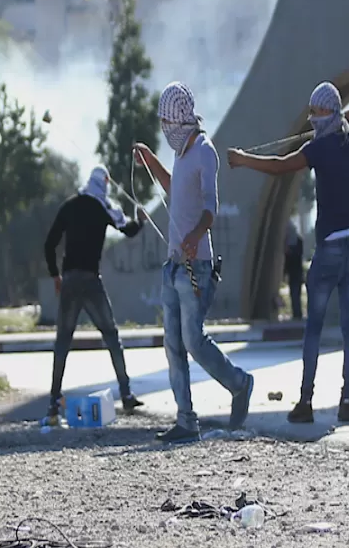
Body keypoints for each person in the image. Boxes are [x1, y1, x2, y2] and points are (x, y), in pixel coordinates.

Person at [227, 82, 349, 423]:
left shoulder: (321, 148)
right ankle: (347, 400)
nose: (312, 117)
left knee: (314, 328)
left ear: (328, 113)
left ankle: (306, 401)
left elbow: (279, 165)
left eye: (316, 111)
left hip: (329, 247)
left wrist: (243, 160)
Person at [133, 81, 254, 443]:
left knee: (193, 341)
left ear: (180, 119)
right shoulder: (181, 152)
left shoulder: (204, 151)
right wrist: (150, 161)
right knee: (173, 344)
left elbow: (210, 209)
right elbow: (174, 187)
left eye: (167, 121)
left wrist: (193, 238)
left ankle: (239, 383)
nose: (164, 129)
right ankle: (186, 421)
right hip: (172, 266)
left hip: (196, 266)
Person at [43, 165, 146, 423]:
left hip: (69, 282)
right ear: (105, 183)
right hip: (91, 281)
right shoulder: (104, 207)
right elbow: (128, 230)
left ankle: (54, 402)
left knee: (62, 342)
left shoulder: (69, 205)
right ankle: (126, 394)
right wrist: (141, 219)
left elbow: (49, 243)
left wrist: (55, 275)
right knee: (111, 336)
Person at [284, 218, 305, 320]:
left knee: (295, 294)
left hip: (296, 273)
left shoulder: (296, 242)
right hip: (295, 273)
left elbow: (295, 257)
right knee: (294, 295)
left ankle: (297, 315)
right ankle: (297, 314)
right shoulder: (297, 241)